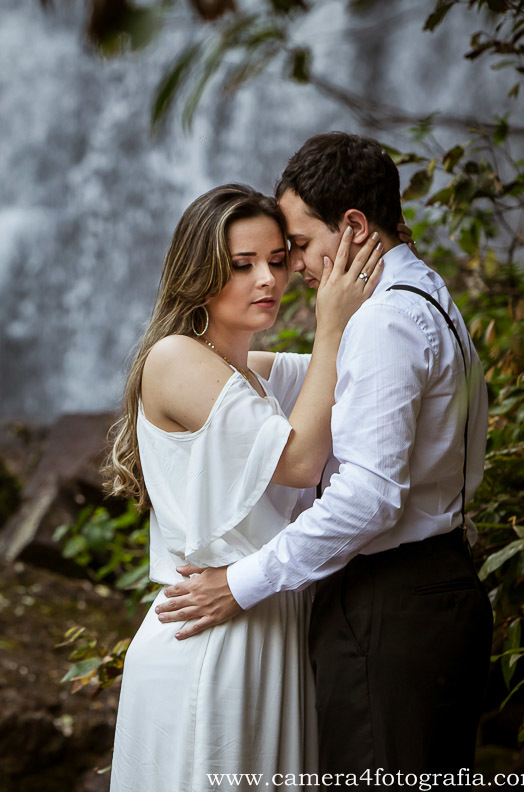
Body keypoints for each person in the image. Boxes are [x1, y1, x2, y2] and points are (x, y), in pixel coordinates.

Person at [155, 133, 493, 782]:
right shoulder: (429, 300)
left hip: (389, 606)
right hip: (432, 590)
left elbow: (367, 497)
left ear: (354, 227)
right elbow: (286, 383)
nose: (295, 269)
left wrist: (241, 582)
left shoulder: (385, 322)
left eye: (303, 246)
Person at [104, 182, 384, 790]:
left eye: (279, 262)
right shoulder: (175, 359)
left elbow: (365, 376)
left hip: (264, 624)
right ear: (199, 271)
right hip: (210, 640)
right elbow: (301, 460)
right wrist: (331, 324)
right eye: (243, 265)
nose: (269, 280)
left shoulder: (248, 371)